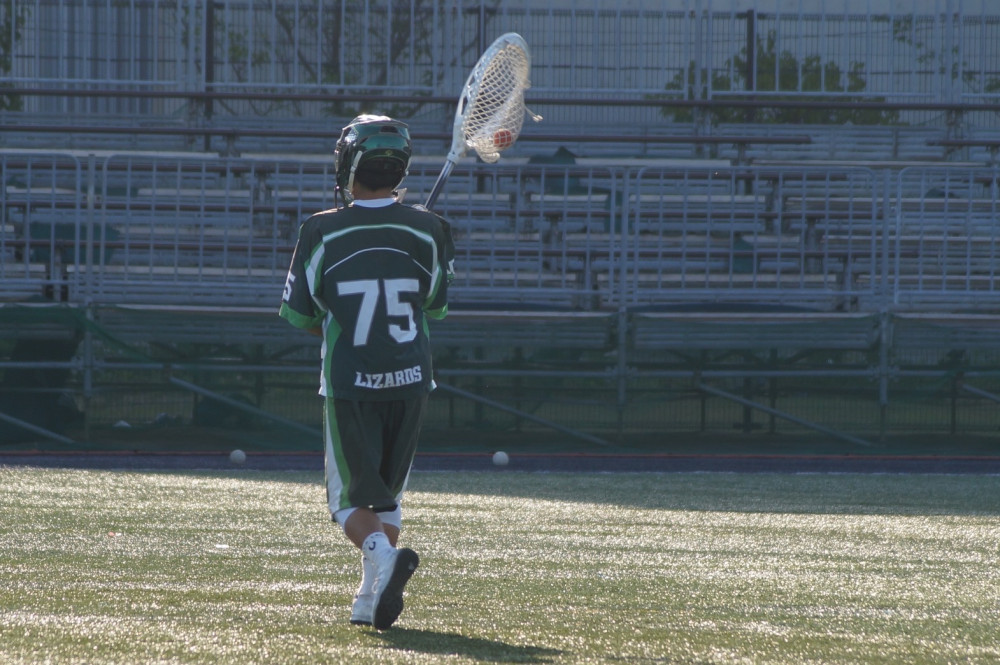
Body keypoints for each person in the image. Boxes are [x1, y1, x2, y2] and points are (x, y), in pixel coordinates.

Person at [278, 114, 454, 630]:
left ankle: (384, 558)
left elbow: (301, 315)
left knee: (347, 502)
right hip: (411, 379)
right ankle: (369, 596)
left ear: (348, 166)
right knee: (387, 496)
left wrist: (348, 324)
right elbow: (435, 307)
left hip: (351, 381)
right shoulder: (430, 229)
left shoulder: (320, 230)